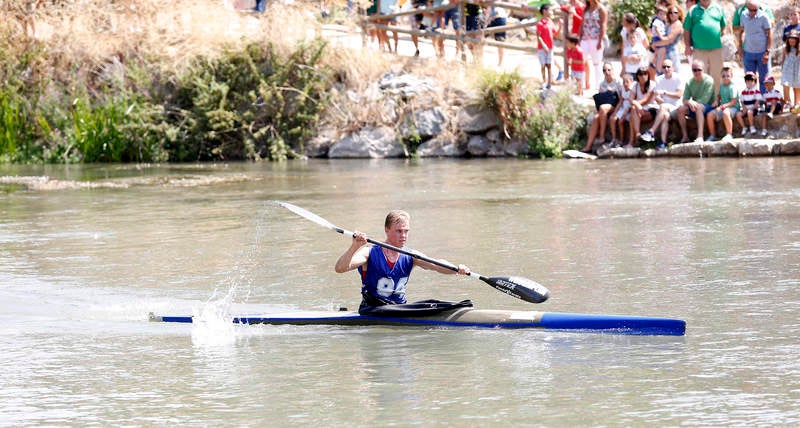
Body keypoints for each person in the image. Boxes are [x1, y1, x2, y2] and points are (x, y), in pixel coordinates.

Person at [334, 210, 469, 314]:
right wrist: (355, 246)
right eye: (399, 231)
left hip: (399, 308)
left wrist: (456, 269)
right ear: (387, 229)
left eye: (406, 231)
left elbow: (436, 265)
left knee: (433, 303)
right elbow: (340, 268)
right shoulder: (369, 253)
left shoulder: (411, 255)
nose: (403, 236)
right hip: (372, 308)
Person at [639, 59, 683, 150]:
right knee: (665, 116)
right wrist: (662, 101)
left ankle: (651, 131)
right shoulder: (658, 79)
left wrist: (664, 93)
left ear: (673, 68)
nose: (666, 69)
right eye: (664, 67)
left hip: (676, 107)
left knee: (663, 108)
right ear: (661, 69)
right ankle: (663, 142)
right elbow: (656, 97)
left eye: (668, 67)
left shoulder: (678, 78)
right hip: (664, 108)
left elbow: (679, 95)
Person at [683, 0, 726, 91]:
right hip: (699, 49)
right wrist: (687, 46)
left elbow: (723, 27)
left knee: (717, 75)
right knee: (700, 75)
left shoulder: (718, 8)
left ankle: (716, 99)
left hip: (716, 49)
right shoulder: (692, 10)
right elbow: (686, 29)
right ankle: (702, 100)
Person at [582, 62, 623, 152]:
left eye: (609, 70)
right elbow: (600, 99)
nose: (607, 72)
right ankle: (588, 145)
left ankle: (602, 136)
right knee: (596, 117)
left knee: (603, 108)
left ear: (612, 70)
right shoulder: (602, 84)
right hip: (604, 107)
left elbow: (621, 99)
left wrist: (615, 112)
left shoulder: (618, 82)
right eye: (604, 70)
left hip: (615, 105)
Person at [675, 59, 715, 143]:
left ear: (703, 70)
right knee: (680, 109)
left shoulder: (709, 81)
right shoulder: (690, 82)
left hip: (709, 106)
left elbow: (705, 99)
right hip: (695, 106)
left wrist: (692, 104)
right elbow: (684, 99)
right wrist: (689, 102)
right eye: (694, 70)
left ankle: (700, 136)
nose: (696, 72)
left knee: (699, 107)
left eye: (699, 70)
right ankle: (685, 136)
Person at [738, 0, 772, 94]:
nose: (753, 12)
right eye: (751, 10)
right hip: (748, 52)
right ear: (747, 8)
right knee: (749, 79)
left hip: (762, 52)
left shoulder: (764, 16)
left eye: (755, 10)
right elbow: (741, 32)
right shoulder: (743, 15)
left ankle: (764, 101)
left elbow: (769, 34)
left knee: (764, 79)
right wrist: (740, 47)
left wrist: (767, 52)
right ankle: (752, 102)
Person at [578, 0, 608, 91]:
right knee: (581, 61)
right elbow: (582, 23)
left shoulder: (601, 9)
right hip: (585, 38)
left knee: (597, 63)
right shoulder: (586, 9)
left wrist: (600, 41)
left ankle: (598, 86)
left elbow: (603, 25)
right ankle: (581, 84)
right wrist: (579, 38)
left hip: (596, 38)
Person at [705, 66, 739, 142]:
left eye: (728, 76)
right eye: (723, 76)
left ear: (731, 76)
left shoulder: (732, 87)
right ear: (721, 76)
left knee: (725, 113)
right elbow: (719, 96)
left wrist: (722, 106)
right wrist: (716, 101)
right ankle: (713, 135)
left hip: (733, 108)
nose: (725, 78)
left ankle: (729, 134)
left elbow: (733, 102)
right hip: (723, 107)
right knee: (710, 115)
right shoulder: (722, 86)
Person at [627, 67, 657, 148]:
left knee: (632, 114)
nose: (643, 76)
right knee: (633, 113)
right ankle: (636, 135)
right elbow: (630, 99)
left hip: (651, 109)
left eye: (645, 74)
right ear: (637, 76)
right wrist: (637, 105)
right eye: (640, 74)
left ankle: (632, 141)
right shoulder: (635, 85)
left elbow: (646, 100)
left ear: (648, 75)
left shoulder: (652, 84)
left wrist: (636, 104)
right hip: (639, 110)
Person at [652, 4, 684, 76]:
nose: (672, 14)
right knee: (662, 77)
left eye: (675, 12)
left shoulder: (677, 24)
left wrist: (655, 44)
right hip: (664, 52)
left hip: (671, 53)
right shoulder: (668, 24)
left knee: (672, 76)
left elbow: (669, 40)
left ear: (679, 14)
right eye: (670, 12)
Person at [536, 4, 561, 88]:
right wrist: (544, 46)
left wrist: (560, 26)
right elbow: (538, 36)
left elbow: (555, 34)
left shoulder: (551, 22)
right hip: (542, 48)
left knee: (549, 65)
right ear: (544, 11)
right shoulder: (540, 23)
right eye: (550, 10)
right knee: (543, 65)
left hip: (550, 47)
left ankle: (549, 82)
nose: (551, 12)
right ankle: (544, 80)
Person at [620, 13, 649, 80]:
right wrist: (623, 67)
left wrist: (637, 52)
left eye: (623, 21)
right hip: (628, 58)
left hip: (639, 58)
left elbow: (646, 45)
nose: (622, 23)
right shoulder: (624, 31)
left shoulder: (639, 31)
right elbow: (623, 47)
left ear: (629, 23)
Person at [609, 73, 634, 148]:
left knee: (620, 121)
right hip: (623, 108)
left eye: (627, 82)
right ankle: (614, 139)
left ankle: (622, 140)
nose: (625, 84)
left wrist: (624, 115)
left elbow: (631, 103)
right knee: (612, 118)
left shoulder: (633, 89)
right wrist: (615, 112)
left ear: (631, 81)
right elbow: (621, 101)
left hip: (629, 109)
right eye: (624, 82)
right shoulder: (622, 88)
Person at [736, 71, 762, 136]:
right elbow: (741, 101)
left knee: (750, 112)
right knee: (738, 114)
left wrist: (752, 108)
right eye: (747, 80)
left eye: (751, 80)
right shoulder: (744, 92)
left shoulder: (756, 91)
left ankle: (752, 126)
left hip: (753, 109)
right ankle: (744, 127)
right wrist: (744, 108)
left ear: (755, 81)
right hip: (746, 109)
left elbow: (757, 101)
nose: (749, 82)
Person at [781, 31, 800, 113]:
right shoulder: (785, 49)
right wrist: (782, 69)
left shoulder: (799, 49)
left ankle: (797, 103)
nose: (792, 41)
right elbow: (783, 59)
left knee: (796, 87)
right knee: (785, 85)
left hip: (796, 70)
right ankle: (788, 102)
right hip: (787, 69)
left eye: (794, 40)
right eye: (790, 40)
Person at [649, 6, 669, 76]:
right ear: (657, 14)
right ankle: (655, 65)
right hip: (658, 37)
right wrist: (661, 37)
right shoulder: (657, 21)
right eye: (660, 14)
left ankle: (653, 62)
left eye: (664, 14)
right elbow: (656, 29)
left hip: (659, 37)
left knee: (658, 51)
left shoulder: (662, 21)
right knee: (660, 50)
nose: (662, 16)